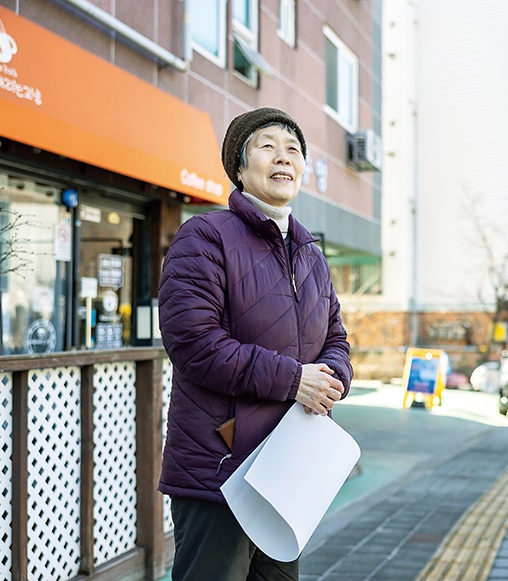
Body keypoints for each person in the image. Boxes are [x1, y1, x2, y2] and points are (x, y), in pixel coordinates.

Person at [157, 107, 353, 580]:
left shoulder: (310, 254)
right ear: (240, 168)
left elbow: (337, 340)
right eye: (267, 146)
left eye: (293, 150)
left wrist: (331, 380)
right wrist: (294, 381)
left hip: (286, 473)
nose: (283, 158)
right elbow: (195, 345)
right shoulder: (205, 236)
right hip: (219, 469)